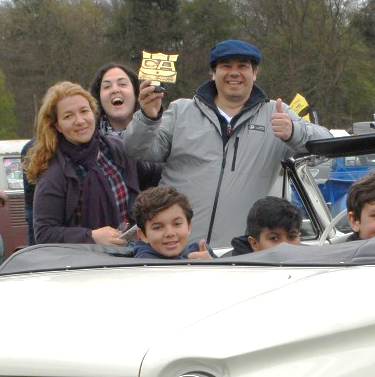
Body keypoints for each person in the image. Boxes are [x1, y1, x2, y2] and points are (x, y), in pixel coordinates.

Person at [125, 38, 331, 248]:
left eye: (242, 66)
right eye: (226, 66)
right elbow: (136, 150)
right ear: (214, 73)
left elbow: (329, 146)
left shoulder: (276, 113)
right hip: (174, 250)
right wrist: (148, 119)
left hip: (237, 255)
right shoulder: (181, 111)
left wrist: (294, 131)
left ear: (255, 73)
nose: (234, 72)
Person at [27, 81, 160, 245]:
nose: (80, 120)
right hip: (87, 265)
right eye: (68, 116)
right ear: (57, 126)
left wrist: (150, 115)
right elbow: (44, 233)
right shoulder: (54, 175)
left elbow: (154, 173)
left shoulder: (116, 149)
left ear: (93, 112)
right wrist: (91, 236)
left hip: (132, 256)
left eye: (84, 111)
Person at [131, 186, 213, 260]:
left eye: (177, 224)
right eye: (158, 227)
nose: (170, 233)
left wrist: (214, 267)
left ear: (189, 225)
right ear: (143, 235)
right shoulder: (143, 264)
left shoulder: (200, 251)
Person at [229, 196, 304, 255]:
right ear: (254, 243)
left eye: (292, 237)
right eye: (274, 238)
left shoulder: (310, 264)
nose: (285, 246)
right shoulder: (233, 272)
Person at [90, 63, 140, 136]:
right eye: (107, 86)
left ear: (135, 92)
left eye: (122, 84)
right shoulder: (86, 140)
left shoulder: (158, 133)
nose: (115, 90)